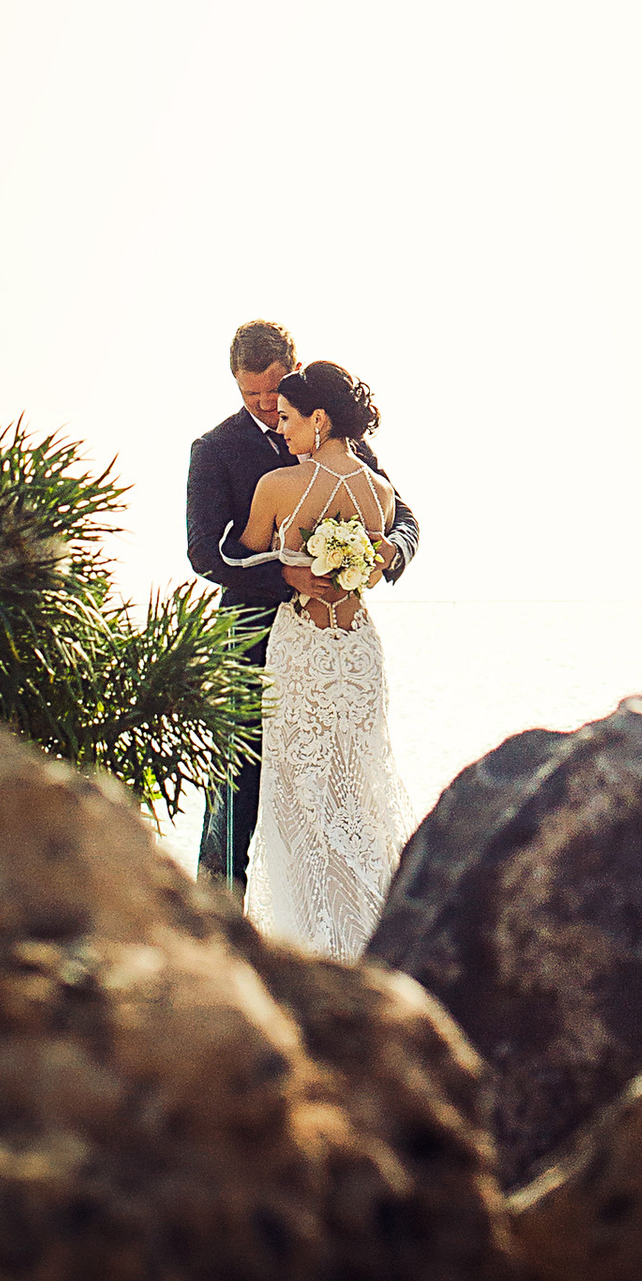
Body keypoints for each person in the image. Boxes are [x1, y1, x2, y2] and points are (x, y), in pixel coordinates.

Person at [185, 319, 417, 893]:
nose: (267, 405)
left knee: (337, 782)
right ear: (235, 384)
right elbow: (204, 552)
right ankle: (218, 922)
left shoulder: (349, 445)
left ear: (294, 371)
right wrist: (284, 573)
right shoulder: (214, 450)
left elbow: (403, 518)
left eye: (275, 389)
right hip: (249, 636)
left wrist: (390, 552)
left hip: (333, 642)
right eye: (251, 394)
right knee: (237, 790)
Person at [237, 360, 416, 960]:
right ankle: (373, 938)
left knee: (296, 795)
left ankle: (308, 947)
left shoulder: (278, 487)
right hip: (359, 651)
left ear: (318, 418)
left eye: (287, 418)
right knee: (357, 790)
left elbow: (248, 554)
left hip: (302, 652)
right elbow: (380, 556)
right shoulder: (381, 492)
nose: (280, 431)